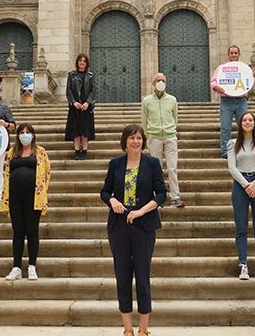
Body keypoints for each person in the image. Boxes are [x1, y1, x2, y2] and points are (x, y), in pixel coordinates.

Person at [100, 124, 166, 336]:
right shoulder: (116, 164)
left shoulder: (152, 163)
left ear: (143, 141)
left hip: (144, 226)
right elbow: (104, 191)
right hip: (118, 226)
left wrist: (141, 211)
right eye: (132, 138)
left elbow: (161, 194)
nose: (136, 141)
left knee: (143, 276)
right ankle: (127, 329)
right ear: (125, 141)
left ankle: (143, 329)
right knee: (122, 276)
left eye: (139, 138)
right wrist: (112, 201)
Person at [0, 123, 51, 280]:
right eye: (22, 132)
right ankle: (16, 267)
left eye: (28, 132)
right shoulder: (12, 152)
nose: (25, 135)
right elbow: (7, 172)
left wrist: (42, 190)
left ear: (33, 135)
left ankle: (32, 266)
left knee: (32, 230)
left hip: (33, 196)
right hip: (15, 196)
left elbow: (47, 172)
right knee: (18, 231)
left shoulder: (40, 152)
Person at [227, 112, 255, 280]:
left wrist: (254, 184)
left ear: (254, 122)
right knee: (241, 227)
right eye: (244, 120)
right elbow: (232, 167)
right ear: (240, 123)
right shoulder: (233, 143)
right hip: (240, 184)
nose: (247, 122)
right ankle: (243, 264)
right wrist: (246, 184)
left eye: (250, 120)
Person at [141, 72, 185, 208]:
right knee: (156, 169)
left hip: (170, 136)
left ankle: (175, 197)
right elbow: (144, 119)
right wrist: (149, 134)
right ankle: (158, 197)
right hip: (154, 137)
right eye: (158, 80)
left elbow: (175, 117)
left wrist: (171, 130)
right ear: (153, 84)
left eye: (163, 80)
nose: (161, 82)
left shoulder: (172, 100)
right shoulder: (147, 101)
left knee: (172, 168)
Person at [211, 45, 248, 158]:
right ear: (228, 55)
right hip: (226, 100)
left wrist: (253, 77)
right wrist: (217, 87)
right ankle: (225, 151)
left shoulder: (244, 68)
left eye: (235, 53)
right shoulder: (221, 68)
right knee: (225, 127)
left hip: (241, 100)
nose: (233, 55)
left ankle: (246, 150)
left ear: (239, 54)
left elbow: (251, 84)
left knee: (245, 126)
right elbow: (213, 82)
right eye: (231, 53)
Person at [65, 53, 96, 160]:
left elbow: (93, 90)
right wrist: (74, 102)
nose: (82, 63)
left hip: (87, 108)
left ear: (86, 63)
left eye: (84, 61)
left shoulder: (91, 75)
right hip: (75, 108)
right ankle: (77, 151)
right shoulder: (71, 75)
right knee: (76, 131)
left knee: (85, 131)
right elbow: (68, 91)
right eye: (80, 61)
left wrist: (88, 102)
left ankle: (84, 152)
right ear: (77, 62)